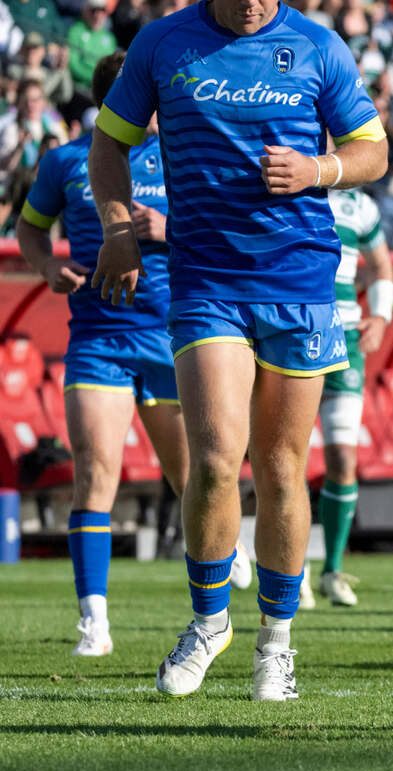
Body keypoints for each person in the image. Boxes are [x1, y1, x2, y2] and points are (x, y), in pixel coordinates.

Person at [89, 0, 387, 699]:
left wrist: (319, 171)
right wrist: (116, 229)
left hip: (301, 280)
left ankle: (276, 641)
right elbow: (109, 146)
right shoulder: (162, 44)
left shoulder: (320, 47)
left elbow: (372, 150)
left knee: (282, 467)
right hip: (207, 282)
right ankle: (207, 621)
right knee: (219, 459)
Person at [15, 52, 245, 658]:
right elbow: (29, 229)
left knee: (193, 475)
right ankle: (94, 623)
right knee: (94, 474)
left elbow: (229, 229)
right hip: (96, 338)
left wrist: (166, 228)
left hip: (173, 338)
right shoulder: (67, 161)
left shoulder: (179, 157)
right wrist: (46, 266)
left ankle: (228, 550)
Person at [313, 183, 393, 607]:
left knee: (343, 459)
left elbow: (382, 267)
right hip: (289, 328)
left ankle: (330, 569)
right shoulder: (283, 182)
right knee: (278, 455)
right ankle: (283, 569)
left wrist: (380, 316)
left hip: (344, 338)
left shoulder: (359, 204)